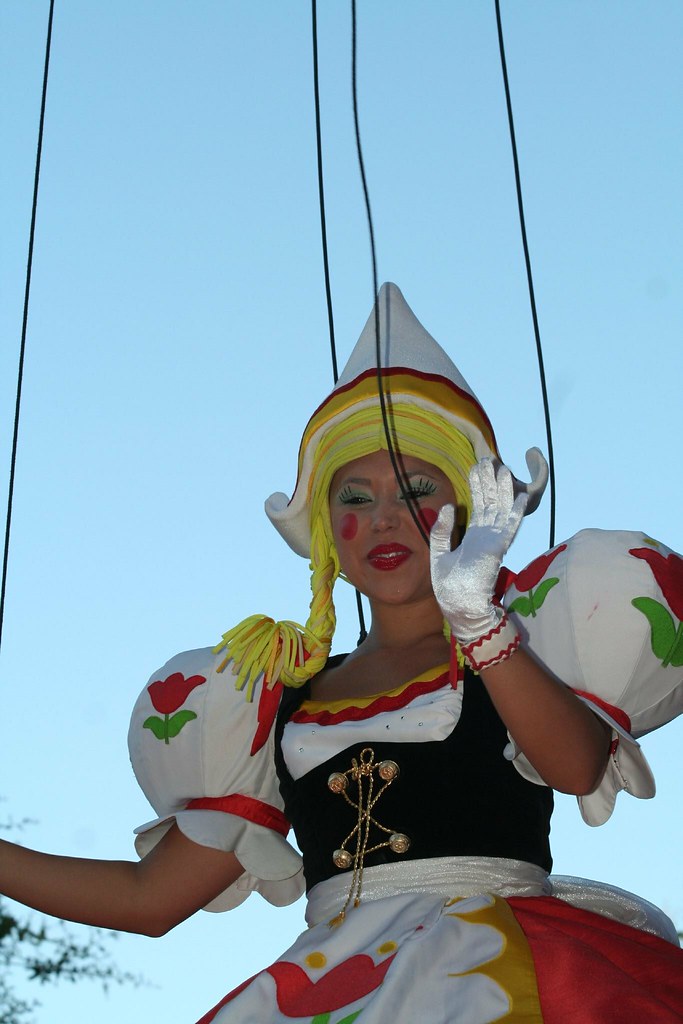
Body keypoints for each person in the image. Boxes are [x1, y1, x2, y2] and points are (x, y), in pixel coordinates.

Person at [1, 284, 681, 1022]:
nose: (383, 517)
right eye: (352, 498)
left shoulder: (520, 653)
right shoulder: (268, 698)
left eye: (415, 488)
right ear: (326, 529)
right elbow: (150, 900)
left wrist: (477, 622)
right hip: (327, 987)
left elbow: (575, 766)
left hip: (502, 970)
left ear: (470, 506)